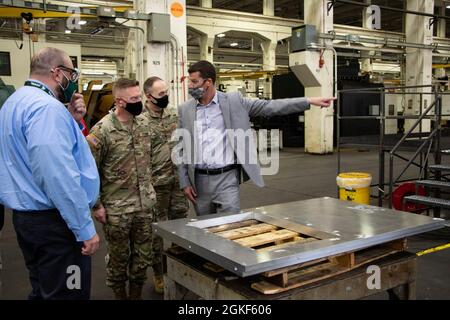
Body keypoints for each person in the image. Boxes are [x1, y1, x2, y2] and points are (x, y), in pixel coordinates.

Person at [0, 47, 100, 300]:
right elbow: (57, 176)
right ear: (57, 73)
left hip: (27, 220)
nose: (74, 81)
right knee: (69, 292)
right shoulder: (46, 109)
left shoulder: (15, 102)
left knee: (44, 288)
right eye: (71, 74)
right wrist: (83, 228)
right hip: (56, 225)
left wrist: (74, 120)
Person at [177, 60, 335, 216]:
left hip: (227, 179)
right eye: (190, 81)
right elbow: (182, 148)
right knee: (205, 229)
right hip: (199, 181)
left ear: (208, 82)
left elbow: (271, 106)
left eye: (194, 82)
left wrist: (309, 101)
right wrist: (185, 182)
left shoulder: (234, 101)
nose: (190, 86)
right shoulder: (185, 110)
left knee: (230, 225)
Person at [86, 78, 156, 300]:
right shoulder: (103, 130)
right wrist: (96, 204)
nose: (140, 102)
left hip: (144, 206)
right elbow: (89, 171)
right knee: (119, 258)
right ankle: (120, 296)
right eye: (134, 99)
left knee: (142, 257)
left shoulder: (144, 124)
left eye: (140, 97)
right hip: (117, 210)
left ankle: (136, 295)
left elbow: (150, 160)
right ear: (119, 101)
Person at [143, 76, 189, 294]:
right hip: (155, 186)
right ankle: (159, 274)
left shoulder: (174, 114)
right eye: (161, 94)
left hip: (177, 183)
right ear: (148, 96)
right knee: (157, 234)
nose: (165, 97)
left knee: (181, 228)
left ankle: (181, 272)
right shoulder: (140, 119)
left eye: (166, 92)